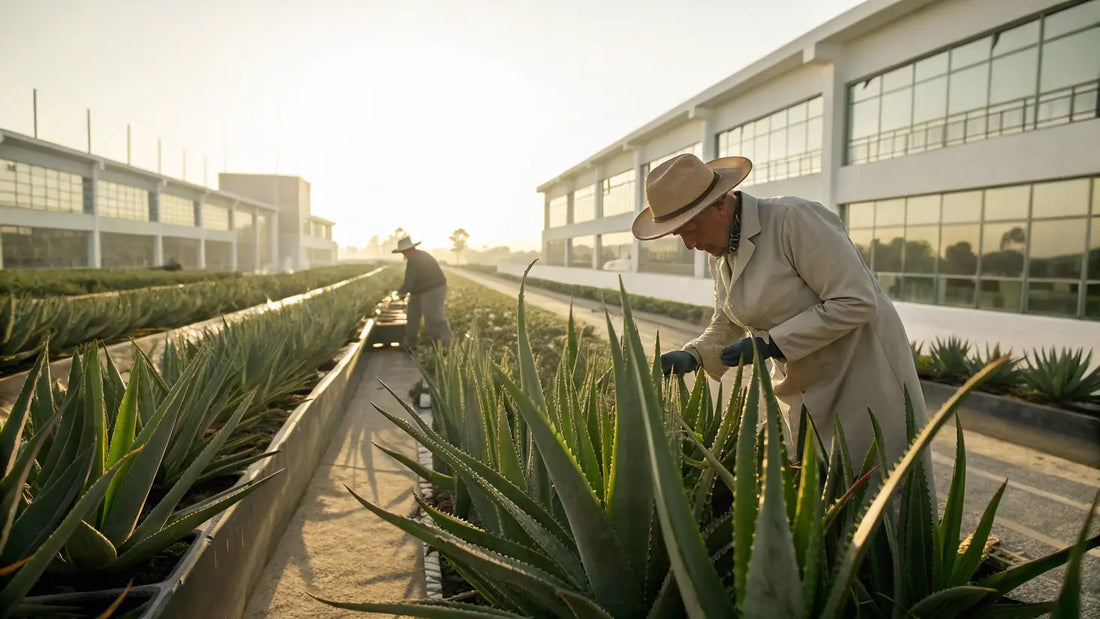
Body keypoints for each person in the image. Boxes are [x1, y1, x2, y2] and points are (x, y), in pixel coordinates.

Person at [633, 154, 926, 467]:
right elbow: (729, 318)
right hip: (807, 389)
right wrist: (695, 354)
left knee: (876, 490)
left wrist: (773, 344)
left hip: (864, 386)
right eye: (679, 234)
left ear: (719, 205)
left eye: (690, 228)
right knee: (821, 486)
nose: (689, 244)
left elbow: (857, 301)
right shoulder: (720, 252)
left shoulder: (794, 220)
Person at [393, 235, 452, 350]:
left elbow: (410, 280)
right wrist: (403, 291)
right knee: (412, 314)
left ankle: (445, 346)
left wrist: (401, 292)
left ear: (410, 249)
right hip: (419, 290)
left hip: (433, 289)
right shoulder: (415, 257)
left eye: (404, 251)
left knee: (434, 317)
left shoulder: (415, 259)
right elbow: (412, 280)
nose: (403, 254)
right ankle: (412, 343)